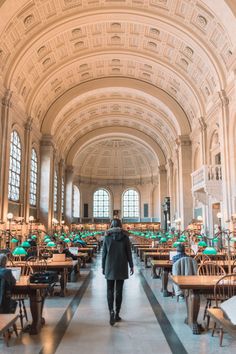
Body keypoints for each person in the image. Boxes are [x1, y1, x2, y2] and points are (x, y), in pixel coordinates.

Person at [102, 218, 134, 326]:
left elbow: (104, 254)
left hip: (109, 266)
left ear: (111, 225)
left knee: (109, 290)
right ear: (121, 225)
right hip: (121, 266)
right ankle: (117, 314)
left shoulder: (107, 237)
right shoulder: (125, 237)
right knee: (119, 291)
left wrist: (103, 267)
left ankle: (111, 311)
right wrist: (131, 265)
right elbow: (129, 253)